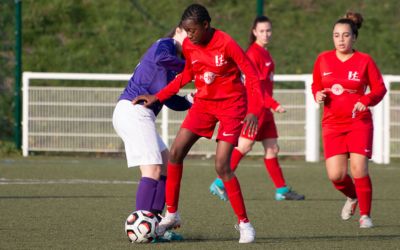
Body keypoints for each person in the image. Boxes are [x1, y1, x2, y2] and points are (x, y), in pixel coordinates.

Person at [133, 3, 267, 243]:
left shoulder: (226, 43)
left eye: (193, 30)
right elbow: (186, 75)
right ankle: (171, 214)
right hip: (204, 105)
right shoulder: (188, 44)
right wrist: (158, 96)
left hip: (231, 107)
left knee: (222, 165)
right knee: (175, 153)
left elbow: (252, 76)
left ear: (206, 25)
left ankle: (245, 224)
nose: (189, 35)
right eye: (186, 30)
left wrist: (254, 111)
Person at [209, 16, 305, 202]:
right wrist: (274, 104)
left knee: (272, 148)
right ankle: (219, 183)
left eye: (268, 30)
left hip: (264, 110)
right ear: (254, 32)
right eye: (262, 31)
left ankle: (282, 190)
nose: (266, 34)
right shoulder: (253, 54)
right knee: (244, 145)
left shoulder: (265, 52)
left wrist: (269, 106)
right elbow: (256, 87)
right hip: (255, 110)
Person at [112, 23, 191, 242]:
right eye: (189, 33)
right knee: (153, 170)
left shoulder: (174, 63)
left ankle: (156, 227)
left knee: (165, 164)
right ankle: (144, 230)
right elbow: (161, 59)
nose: (191, 39)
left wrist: (191, 100)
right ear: (178, 30)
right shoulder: (165, 44)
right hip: (133, 110)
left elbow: (171, 99)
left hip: (138, 114)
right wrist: (192, 66)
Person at [311, 12, 386, 228]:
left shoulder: (364, 61)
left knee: (359, 169)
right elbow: (316, 84)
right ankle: (352, 196)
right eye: (336, 35)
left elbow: (379, 88)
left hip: (358, 122)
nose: (341, 39)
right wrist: (318, 94)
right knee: (336, 175)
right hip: (332, 124)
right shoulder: (323, 59)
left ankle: (365, 215)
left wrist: (367, 99)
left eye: (345, 35)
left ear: (354, 37)